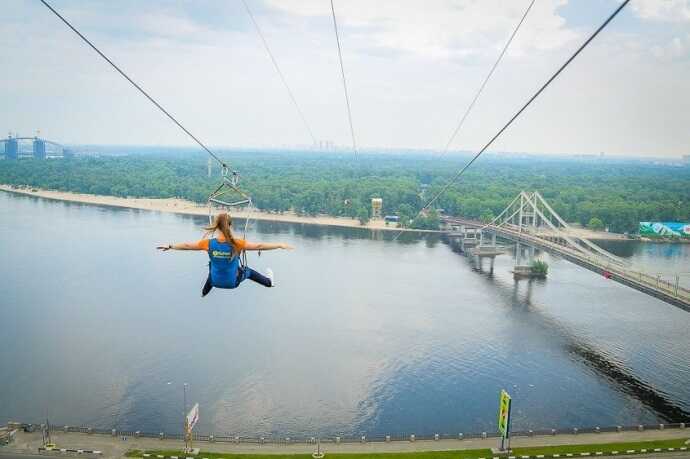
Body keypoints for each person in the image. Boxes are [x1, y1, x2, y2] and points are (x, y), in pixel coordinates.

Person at [157, 212, 293, 296]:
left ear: (216, 226)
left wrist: (170, 246)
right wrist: (279, 245)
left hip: (215, 281)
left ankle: (205, 292)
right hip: (232, 283)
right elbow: (259, 246)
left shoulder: (208, 244)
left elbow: (187, 246)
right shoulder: (237, 243)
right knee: (248, 271)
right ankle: (269, 283)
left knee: (213, 265)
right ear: (230, 226)